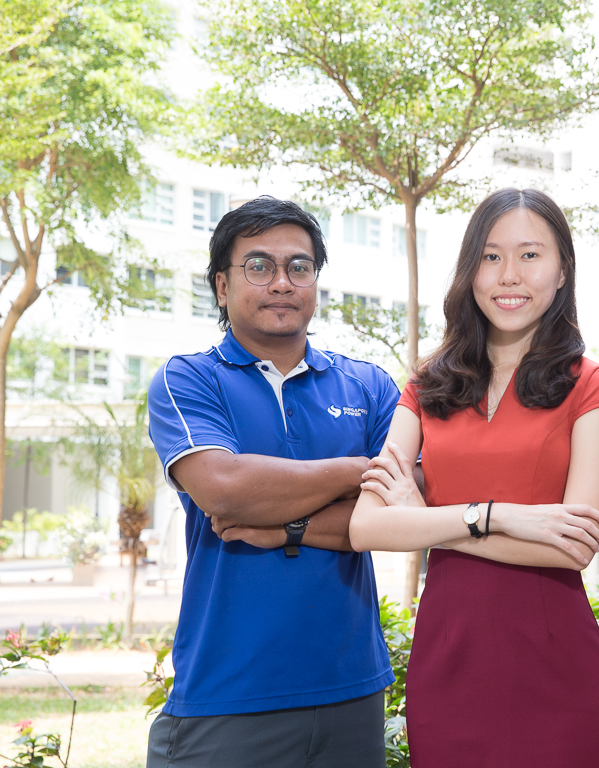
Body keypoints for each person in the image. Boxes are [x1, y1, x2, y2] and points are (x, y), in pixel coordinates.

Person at [350, 188, 599, 767]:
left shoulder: (590, 385)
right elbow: (367, 527)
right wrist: (496, 516)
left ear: (561, 270)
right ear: (470, 269)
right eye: (491, 256)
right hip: (448, 659)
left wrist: (425, 523)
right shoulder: (427, 383)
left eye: (530, 255)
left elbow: (574, 546)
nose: (509, 276)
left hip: (557, 667)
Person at [144, 197, 396, 768]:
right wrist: (359, 471)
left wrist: (290, 525)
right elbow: (225, 490)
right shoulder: (189, 379)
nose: (281, 282)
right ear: (222, 287)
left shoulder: (368, 385)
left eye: (299, 267)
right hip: (227, 695)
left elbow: (408, 502)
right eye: (258, 266)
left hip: (351, 690)